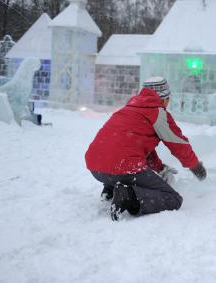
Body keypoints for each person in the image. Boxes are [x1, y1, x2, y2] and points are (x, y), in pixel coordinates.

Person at [85, 77, 207, 221]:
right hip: (123, 168)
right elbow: (178, 144)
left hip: (96, 168)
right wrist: (195, 166)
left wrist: (160, 168)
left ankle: (110, 189)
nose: (168, 103)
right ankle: (128, 195)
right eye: (168, 98)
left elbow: (137, 147)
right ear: (162, 98)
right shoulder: (158, 113)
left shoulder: (128, 109)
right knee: (173, 199)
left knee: (122, 162)